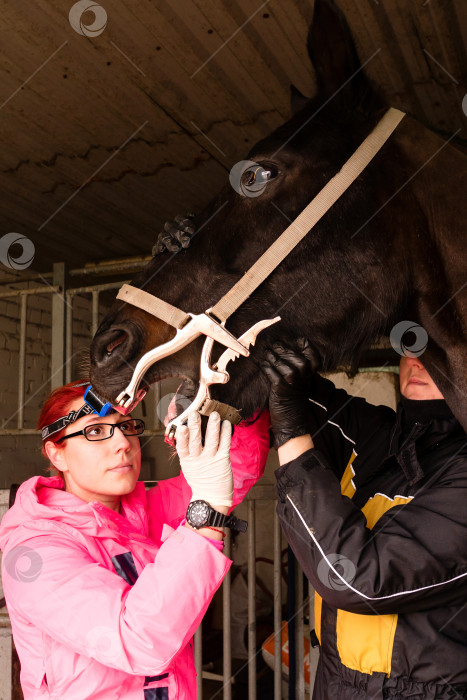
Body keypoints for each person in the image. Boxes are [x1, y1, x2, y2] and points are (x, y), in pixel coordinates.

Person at [0, 380, 270, 699]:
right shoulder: (36, 551)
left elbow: (235, 470)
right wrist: (207, 512)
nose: (123, 443)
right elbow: (139, 641)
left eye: (125, 426)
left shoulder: (142, 510)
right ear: (56, 454)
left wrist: (233, 397)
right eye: (96, 431)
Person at [260, 340, 467, 700]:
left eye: (438, 346)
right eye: (413, 343)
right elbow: (296, 391)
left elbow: (353, 577)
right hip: (334, 680)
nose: (416, 361)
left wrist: (290, 433)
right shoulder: (384, 436)